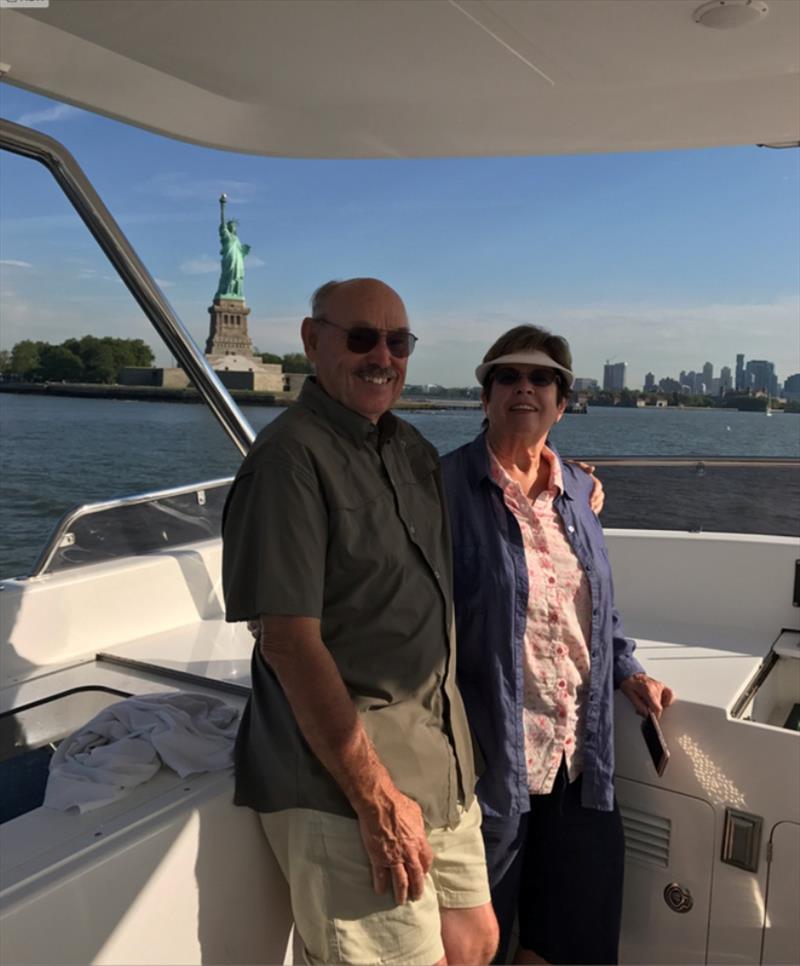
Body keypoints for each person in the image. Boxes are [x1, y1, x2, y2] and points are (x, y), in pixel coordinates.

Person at [221, 278, 499, 966]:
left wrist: (562, 476)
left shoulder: (409, 452)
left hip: (438, 759)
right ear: (314, 342)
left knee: (475, 940)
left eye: (397, 341)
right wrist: (375, 799)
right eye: (361, 338)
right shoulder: (288, 462)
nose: (383, 356)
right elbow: (289, 643)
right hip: (345, 786)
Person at [441, 325, 674, 965]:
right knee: (471, 948)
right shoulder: (440, 491)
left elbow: (591, 603)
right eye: (508, 377)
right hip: (490, 761)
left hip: (579, 756)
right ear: (485, 395)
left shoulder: (577, 491)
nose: (525, 388)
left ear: (562, 401)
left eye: (541, 378)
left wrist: (627, 667)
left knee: (570, 941)